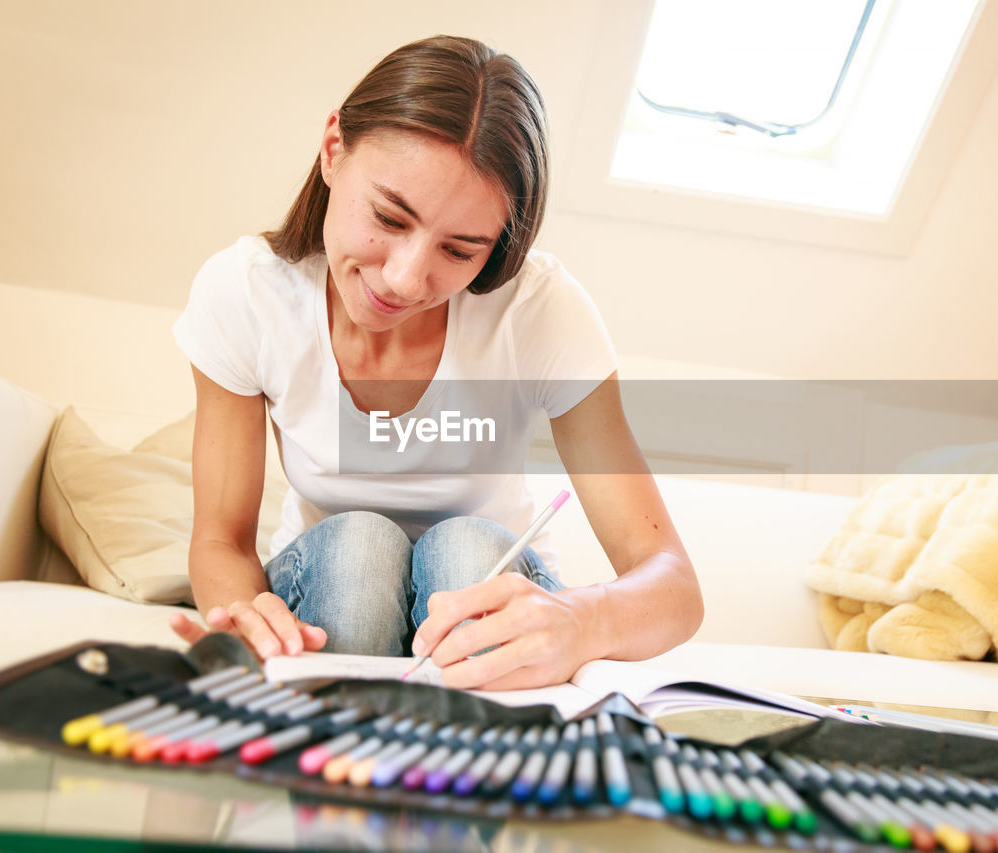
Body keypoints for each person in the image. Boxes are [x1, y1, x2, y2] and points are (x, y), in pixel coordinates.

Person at [168, 34, 702, 691]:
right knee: (359, 545)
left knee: (467, 549)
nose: (405, 278)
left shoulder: (539, 312)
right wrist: (249, 617)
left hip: (480, 594)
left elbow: (672, 583)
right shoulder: (245, 292)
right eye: (390, 218)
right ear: (333, 149)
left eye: (460, 249)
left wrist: (579, 619)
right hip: (332, 599)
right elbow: (220, 541)